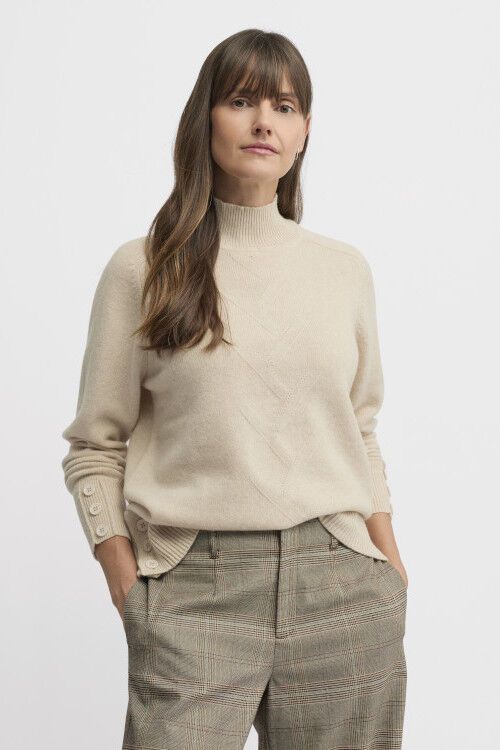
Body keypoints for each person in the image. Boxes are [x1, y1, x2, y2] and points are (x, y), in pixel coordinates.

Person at [61, 27, 408, 750]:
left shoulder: (343, 271)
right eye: (242, 100)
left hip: (341, 587)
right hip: (196, 588)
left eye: (284, 106)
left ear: (305, 132)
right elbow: (95, 445)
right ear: (206, 118)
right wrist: (128, 585)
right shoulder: (144, 268)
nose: (263, 123)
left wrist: (389, 562)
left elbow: (359, 429)